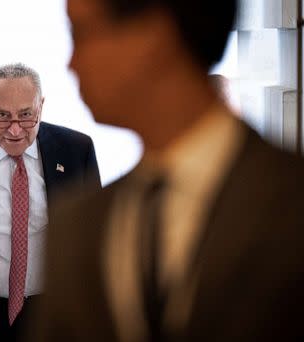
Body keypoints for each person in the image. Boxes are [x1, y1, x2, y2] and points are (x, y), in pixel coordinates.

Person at [32, 0, 304, 341]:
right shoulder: (77, 227)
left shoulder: (291, 202)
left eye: (82, 34)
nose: (71, 63)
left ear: (155, 34)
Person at [0, 63, 101, 341]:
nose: (15, 130)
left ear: (41, 106)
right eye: (2, 116)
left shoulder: (76, 150)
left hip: (51, 312)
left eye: (26, 116)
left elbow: (94, 237)